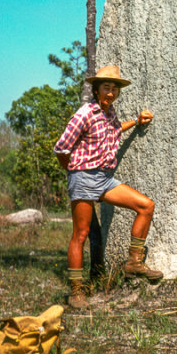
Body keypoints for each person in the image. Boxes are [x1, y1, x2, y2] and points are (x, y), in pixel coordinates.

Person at [54, 65, 163, 309]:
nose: (111, 93)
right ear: (96, 89)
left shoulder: (109, 113)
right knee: (80, 235)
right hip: (83, 178)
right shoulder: (85, 113)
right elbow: (61, 147)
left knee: (146, 206)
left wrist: (136, 121)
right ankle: (77, 291)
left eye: (114, 89)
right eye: (106, 88)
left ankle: (134, 263)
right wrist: (73, 171)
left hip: (104, 179)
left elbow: (114, 131)